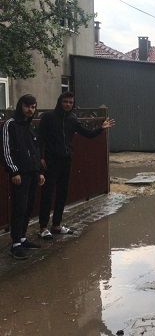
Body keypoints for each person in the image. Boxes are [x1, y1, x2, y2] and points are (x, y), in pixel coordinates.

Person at [38, 92, 115, 239]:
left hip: (66, 160)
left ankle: (56, 225)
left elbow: (88, 134)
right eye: (65, 101)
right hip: (50, 161)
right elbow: (40, 138)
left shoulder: (72, 119)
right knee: (47, 194)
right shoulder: (48, 117)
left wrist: (101, 128)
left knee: (62, 193)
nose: (67, 104)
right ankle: (43, 227)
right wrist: (41, 157)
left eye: (70, 102)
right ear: (60, 102)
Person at [2, 94, 45, 259]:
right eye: (27, 106)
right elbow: (6, 150)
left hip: (33, 173)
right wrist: (14, 171)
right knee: (19, 207)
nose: (30, 110)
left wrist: (40, 172)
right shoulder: (10, 125)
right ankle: (15, 244)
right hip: (20, 175)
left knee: (28, 206)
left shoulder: (29, 126)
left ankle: (22, 237)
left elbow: (35, 151)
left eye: (33, 107)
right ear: (21, 106)